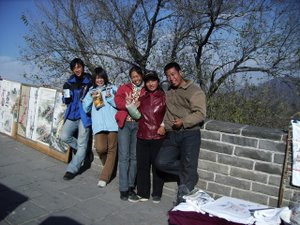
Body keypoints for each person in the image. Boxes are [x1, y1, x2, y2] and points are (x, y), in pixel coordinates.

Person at [155, 62, 206, 205]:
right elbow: (167, 111)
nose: (171, 78)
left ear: (181, 73)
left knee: (188, 167)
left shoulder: (194, 91)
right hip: (172, 135)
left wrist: (184, 121)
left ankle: (182, 202)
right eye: (168, 76)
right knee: (161, 162)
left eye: (173, 74)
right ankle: (189, 173)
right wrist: (163, 124)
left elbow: (200, 114)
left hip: (190, 134)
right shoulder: (169, 91)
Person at [82, 67, 118, 188]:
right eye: (97, 78)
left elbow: (120, 104)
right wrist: (89, 98)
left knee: (112, 150)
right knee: (100, 149)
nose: (100, 80)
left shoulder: (112, 88)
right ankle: (108, 168)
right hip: (98, 125)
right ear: (94, 79)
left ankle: (104, 177)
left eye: (101, 77)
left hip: (112, 124)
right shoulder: (92, 91)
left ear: (105, 77)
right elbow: (86, 108)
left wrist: (110, 97)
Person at [114, 65, 145, 202]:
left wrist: (140, 104)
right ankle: (123, 188)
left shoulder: (145, 90)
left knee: (134, 157)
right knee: (124, 156)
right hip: (125, 124)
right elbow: (117, 101)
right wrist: (127, 104)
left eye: (137, 76)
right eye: (133, 76)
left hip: (138, 125)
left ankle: (131, 186)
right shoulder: (124, 87)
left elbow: (148, 105)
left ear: (141, 75)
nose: (135, 79)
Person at [135, 71, 166, 203]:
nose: (151, 83)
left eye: (153, 80)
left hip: (158, 136)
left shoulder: (165, 96)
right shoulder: (142, 97)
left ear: (158, 81)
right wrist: (134, 107)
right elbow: (137, 115)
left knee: (157, 166)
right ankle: (143, 193)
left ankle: (157, 193)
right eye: (148, 81)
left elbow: (169, 113)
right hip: (142, 136)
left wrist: (164, 125)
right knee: (142, 166)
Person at [60, 58, 92, 180]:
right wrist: (65, 98)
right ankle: (83, 151)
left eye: (79, 67)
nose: (77, 69)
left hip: (84, 116)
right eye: (75, 68)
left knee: (82, 143)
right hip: (72, 115)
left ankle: (72, 169)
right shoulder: (69, 83)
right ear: (72, 70)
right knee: (64, 136)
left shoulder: (90, 81)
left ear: (83, 67)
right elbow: (66, 99)